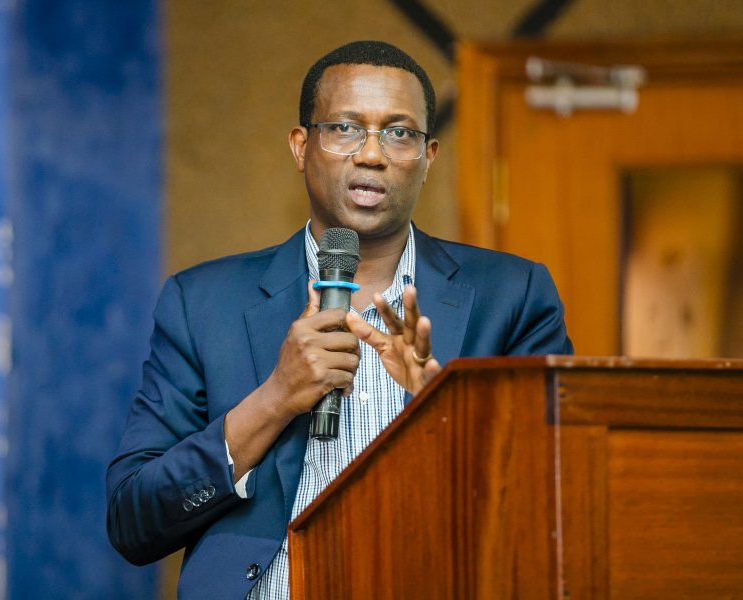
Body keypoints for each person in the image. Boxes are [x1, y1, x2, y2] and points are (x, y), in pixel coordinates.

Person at [106, 40, 572, 599]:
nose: (372, 153)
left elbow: (559, 502)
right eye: (346, 128)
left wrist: (445, 414)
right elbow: (133, 520)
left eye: (399, 133)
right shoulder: (201, 303)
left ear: (429, 157)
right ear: (302, 146)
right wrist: (275, 398)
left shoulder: (513, 296)